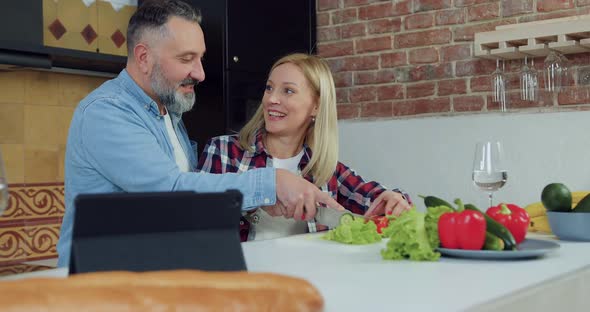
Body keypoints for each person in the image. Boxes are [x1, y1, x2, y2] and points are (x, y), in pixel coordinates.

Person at [56, 0, 342, 267]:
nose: (200, 73)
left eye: (200, 58)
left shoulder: (167, 113)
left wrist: (261, 205)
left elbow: (184, 209)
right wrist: (272, 182)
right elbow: (169, 192)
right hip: (104, 283)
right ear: (144, 57)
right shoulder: (107, 112)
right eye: (186, 58)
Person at [198, 53, 411, 241]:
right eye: (269, 88)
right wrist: (253, 203)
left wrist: (395, 200)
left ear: (316, 106)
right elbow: (195, 218)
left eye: (288, 91)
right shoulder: (224, 151)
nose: (271, 99)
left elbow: (375, 199)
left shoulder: (325, 170)